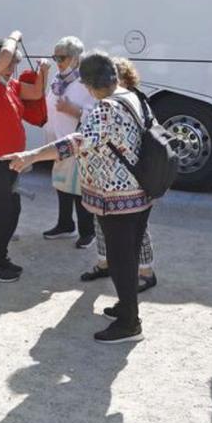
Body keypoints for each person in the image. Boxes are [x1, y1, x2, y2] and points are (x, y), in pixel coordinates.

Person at [3, 51, 152, 343]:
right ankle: (126, 306)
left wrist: (32, 154)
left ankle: (129, 324)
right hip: (139, 192)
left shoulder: (104, 108)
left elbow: (76, 142)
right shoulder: (132, 96)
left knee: (121, 259)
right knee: (128, 254)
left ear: (87, 84)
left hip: (117, 198)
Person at [0, 30, 49, 283]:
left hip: (8, 162)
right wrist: (14, 36)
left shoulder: (11, 85)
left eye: (16, 62)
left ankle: (0, 258)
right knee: (2, 214)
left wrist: (44, 71)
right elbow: (5, 54)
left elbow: (37, 93)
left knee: (12, 210)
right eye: (11, 62)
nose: (13, 66)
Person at [78, 56, 158, 292]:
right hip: (105, 186)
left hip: (128, 184)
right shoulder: (116, 102)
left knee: (136, 233)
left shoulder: (125, 102)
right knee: (103, 226)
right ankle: (105, 263)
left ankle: (145, 272)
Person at [42, 36, 97, 248]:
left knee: (78, 189)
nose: (57, 61)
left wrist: (74, 110)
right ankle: (65, 225)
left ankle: (88, 232)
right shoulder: (59, 79)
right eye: (55, 56)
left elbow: (97, 112)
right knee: (62, 185)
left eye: (61, 57)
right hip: (59, 141)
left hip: (78, 142)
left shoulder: (86, 82)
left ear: (75, 58)